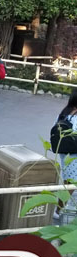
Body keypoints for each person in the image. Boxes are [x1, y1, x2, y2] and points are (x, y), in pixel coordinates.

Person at [54, 89, 77, 221]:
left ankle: (59, 208)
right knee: (70, 185)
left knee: (69, 182)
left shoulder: (64, 113)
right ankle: (58, 210)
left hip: (65, 153)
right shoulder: (76, 117)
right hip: (74, 155)